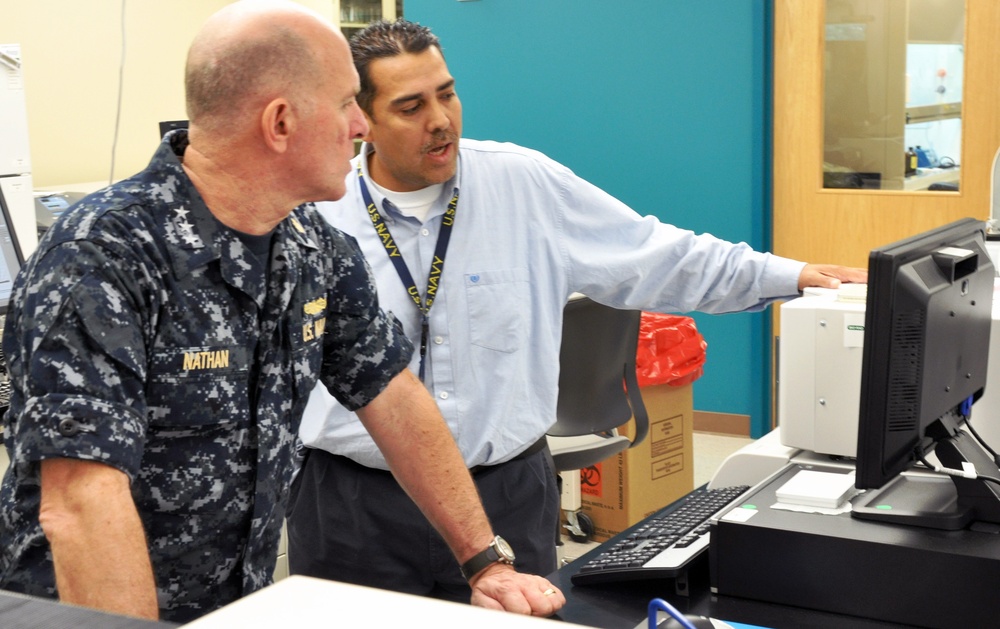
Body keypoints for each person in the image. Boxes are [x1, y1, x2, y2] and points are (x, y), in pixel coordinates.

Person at [0, 2, 564, 623]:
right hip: (85, 613)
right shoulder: (105, 254)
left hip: (233, 606)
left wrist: (484, 560)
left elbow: (392, 394)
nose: (360, 125)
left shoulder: (310, 247)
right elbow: (80, 500)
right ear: (280, 123)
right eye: (348, 103)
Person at [288, 18, 867, 602]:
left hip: (506, 493)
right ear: (362, 121)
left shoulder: (524, 185)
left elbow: (658, 255)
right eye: (411, 106)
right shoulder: (314, 214)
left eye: (447, 93)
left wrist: (793, 277)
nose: (440, 119)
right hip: (356, 506)